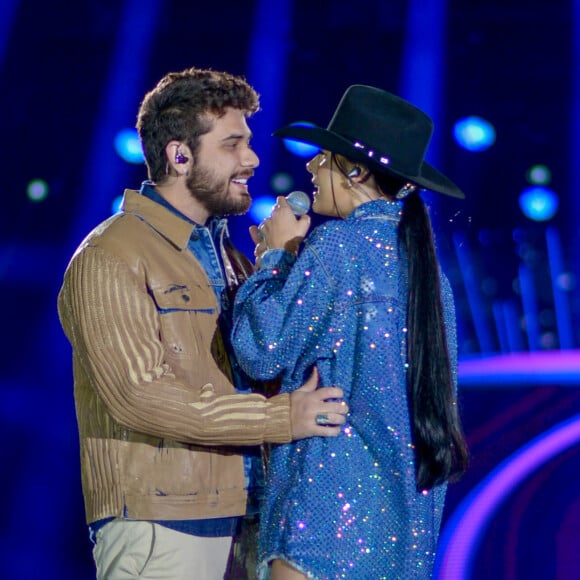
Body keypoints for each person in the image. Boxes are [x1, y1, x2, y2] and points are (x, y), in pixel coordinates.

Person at [57, 66, 348, 580]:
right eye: (233, 144)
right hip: (164, 523)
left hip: (250, 518)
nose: (252, 159)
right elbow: (140, 395)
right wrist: (282, 418)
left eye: (249, 143)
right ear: (180, 154)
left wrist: (277, 272)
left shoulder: (231, 258)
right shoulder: (111, 254)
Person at [231, 85, 469, 579]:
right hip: (405, 537)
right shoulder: (431, 278)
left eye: (324, 157)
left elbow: (261, 349)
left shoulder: (338, 245)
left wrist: (274, 260)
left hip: (320, 525)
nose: (312, 167)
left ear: (356, 170)